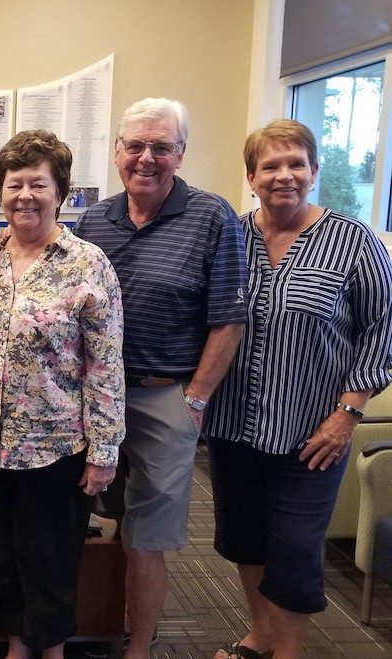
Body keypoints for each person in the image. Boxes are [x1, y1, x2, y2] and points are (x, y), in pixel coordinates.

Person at [205, 119, 392, 659]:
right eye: (270, 166)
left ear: (314, 171)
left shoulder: (353, 241)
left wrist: (348, 414)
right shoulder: (230, 236)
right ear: (251, 177)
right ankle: (260, 635)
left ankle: (288, 652)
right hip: (233, 423)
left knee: (294, 549)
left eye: (295, 164)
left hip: (312, 432)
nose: (283, 175)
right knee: (245, 537)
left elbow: (382, 329)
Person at [72, 97, 248, 659]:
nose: (146, 158)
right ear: (117, 152)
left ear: (181, 153)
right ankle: (95, 625)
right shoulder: (95, 220)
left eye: (161, 147)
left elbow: (230, 319)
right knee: (93, 518)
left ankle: (139, 646)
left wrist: (195, 399)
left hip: (164, 397)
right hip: (93, 399)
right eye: (135, 146)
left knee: (146, 539)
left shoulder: (212, 216)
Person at [0, 130, 125, 659]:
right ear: (0, 192)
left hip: (56, 445)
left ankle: (52, 649)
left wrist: (104, 452)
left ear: (61, 192)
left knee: (51, 559)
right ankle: (17, 644)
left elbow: (106, 364)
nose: (25, 196)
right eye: (15, 184)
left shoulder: (87, 263)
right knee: (0, 555)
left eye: (39, 184)